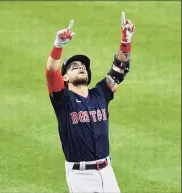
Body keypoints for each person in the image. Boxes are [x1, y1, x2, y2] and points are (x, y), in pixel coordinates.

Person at [45, 12, 135, 193]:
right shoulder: (63, 100)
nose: (80, 67)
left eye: (83, 66)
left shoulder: (100, 93)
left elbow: (119, 69)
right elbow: (50, 71)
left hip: (107, 172)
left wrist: (125, 42)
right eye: (73, 67)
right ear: (65, 77)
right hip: (81, 177)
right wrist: (58, 46)